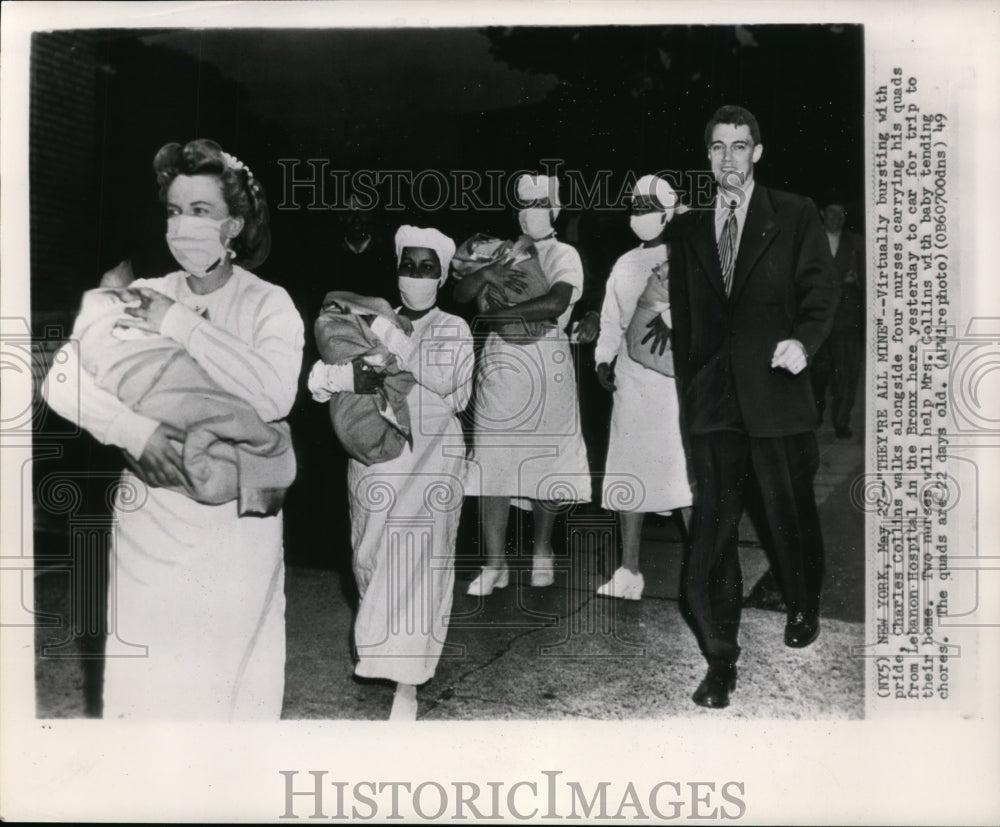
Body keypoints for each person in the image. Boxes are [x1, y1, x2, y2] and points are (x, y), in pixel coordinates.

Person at [43, 139, 304, 719]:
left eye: (201, 212)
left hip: (237, 520)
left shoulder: (270, 304)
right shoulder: (143, 294)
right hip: (150, 514)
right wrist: (134, 431)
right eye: (173, 210)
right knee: (147, 685)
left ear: (233, 225)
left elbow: (272, 394)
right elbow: (62, 379)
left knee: (231, 683)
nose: (182, 225)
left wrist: (179, 323)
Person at [663, 105, 839, 708]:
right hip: (715, 406)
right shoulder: (685, 231)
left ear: (757, 153)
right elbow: (687, 326)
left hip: (776, 394)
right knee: (711, 535)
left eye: (740, 147)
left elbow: (822, 292)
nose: (729, 158)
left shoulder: (793, 214)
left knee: (788, 518)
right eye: (718, 147)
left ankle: (802, 599)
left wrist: (805, 343)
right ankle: (720, 660)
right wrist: (691, 398)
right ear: (707, 156)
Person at [308, 225, 474, 721]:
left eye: (428, 268)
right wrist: (341, 375)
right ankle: (382, 650)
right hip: (376, 460)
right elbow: (321, 380)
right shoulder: (370, 320)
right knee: (371, 557)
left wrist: (390, 363)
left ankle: (409, 681)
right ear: (397, 270)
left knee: (419, 562)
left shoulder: (454, 329)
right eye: (409, 265)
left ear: (441, 277)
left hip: (433, 458)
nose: (417, 275)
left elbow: (455, 395)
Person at [456, 173, 591, 595]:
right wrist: (489, 276)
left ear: (554, 209)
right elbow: (461, 294)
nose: (528, 212)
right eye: (523, 204)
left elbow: (555, 302)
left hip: (546, 362)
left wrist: (500, 316)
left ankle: (541, 550)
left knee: (544, 460)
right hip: (500, 363)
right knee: (493, 458)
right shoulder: (505, 251)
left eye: (538, 203)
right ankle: (495, 563)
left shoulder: (565, 253)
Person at [593, 175, 693, 600]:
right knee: (628, 471)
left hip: (675, 386)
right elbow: (611, 319)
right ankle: (629, 571)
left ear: (669, 211)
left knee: (684, 476)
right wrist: (603, 357)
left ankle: (704, 568)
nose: (641, 214)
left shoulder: (687, 255)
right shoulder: (625, 262)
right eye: (635, 206)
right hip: (632, 383)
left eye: (649, 206)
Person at [810, 196, 866, 438]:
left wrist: (858, 280)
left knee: (846, 373)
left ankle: (841, 421)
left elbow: (873, 277)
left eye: (842, 214)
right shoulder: (809, 240)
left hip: (846, 321)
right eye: (832, 213)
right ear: (822, 213)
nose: (837, 218)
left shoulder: (857, 243)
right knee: (815, 374)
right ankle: (813, 416)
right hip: (815, 320)